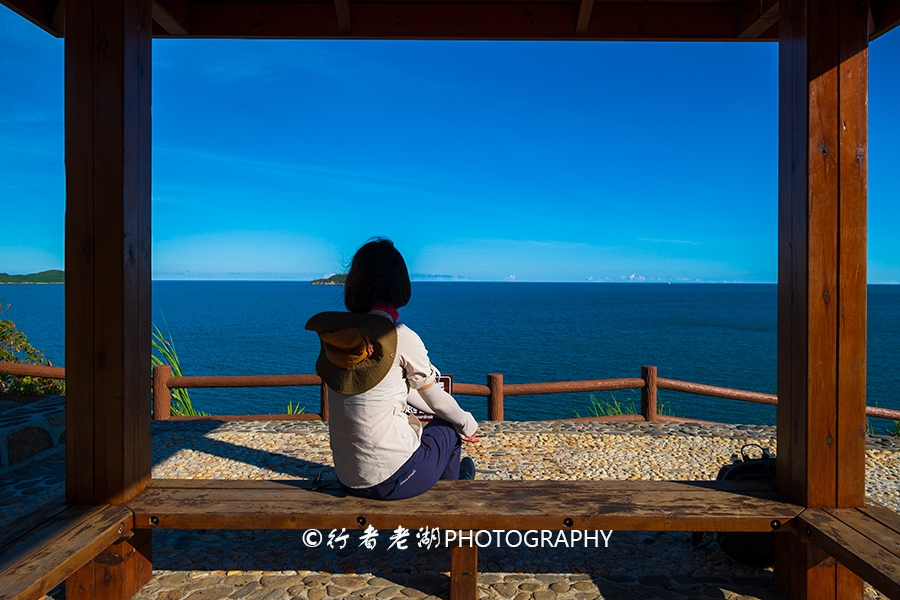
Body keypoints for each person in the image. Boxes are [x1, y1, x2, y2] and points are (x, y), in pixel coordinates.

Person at [305, 238, 478, 500]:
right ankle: (452, 497)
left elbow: (388, 388)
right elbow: (437, 400)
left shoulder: (340, 337)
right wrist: (466, 422)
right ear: (399, 284)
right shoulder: (399, 336)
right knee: (449, 430)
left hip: (349, 478)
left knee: (444, 420)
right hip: (393, 479)